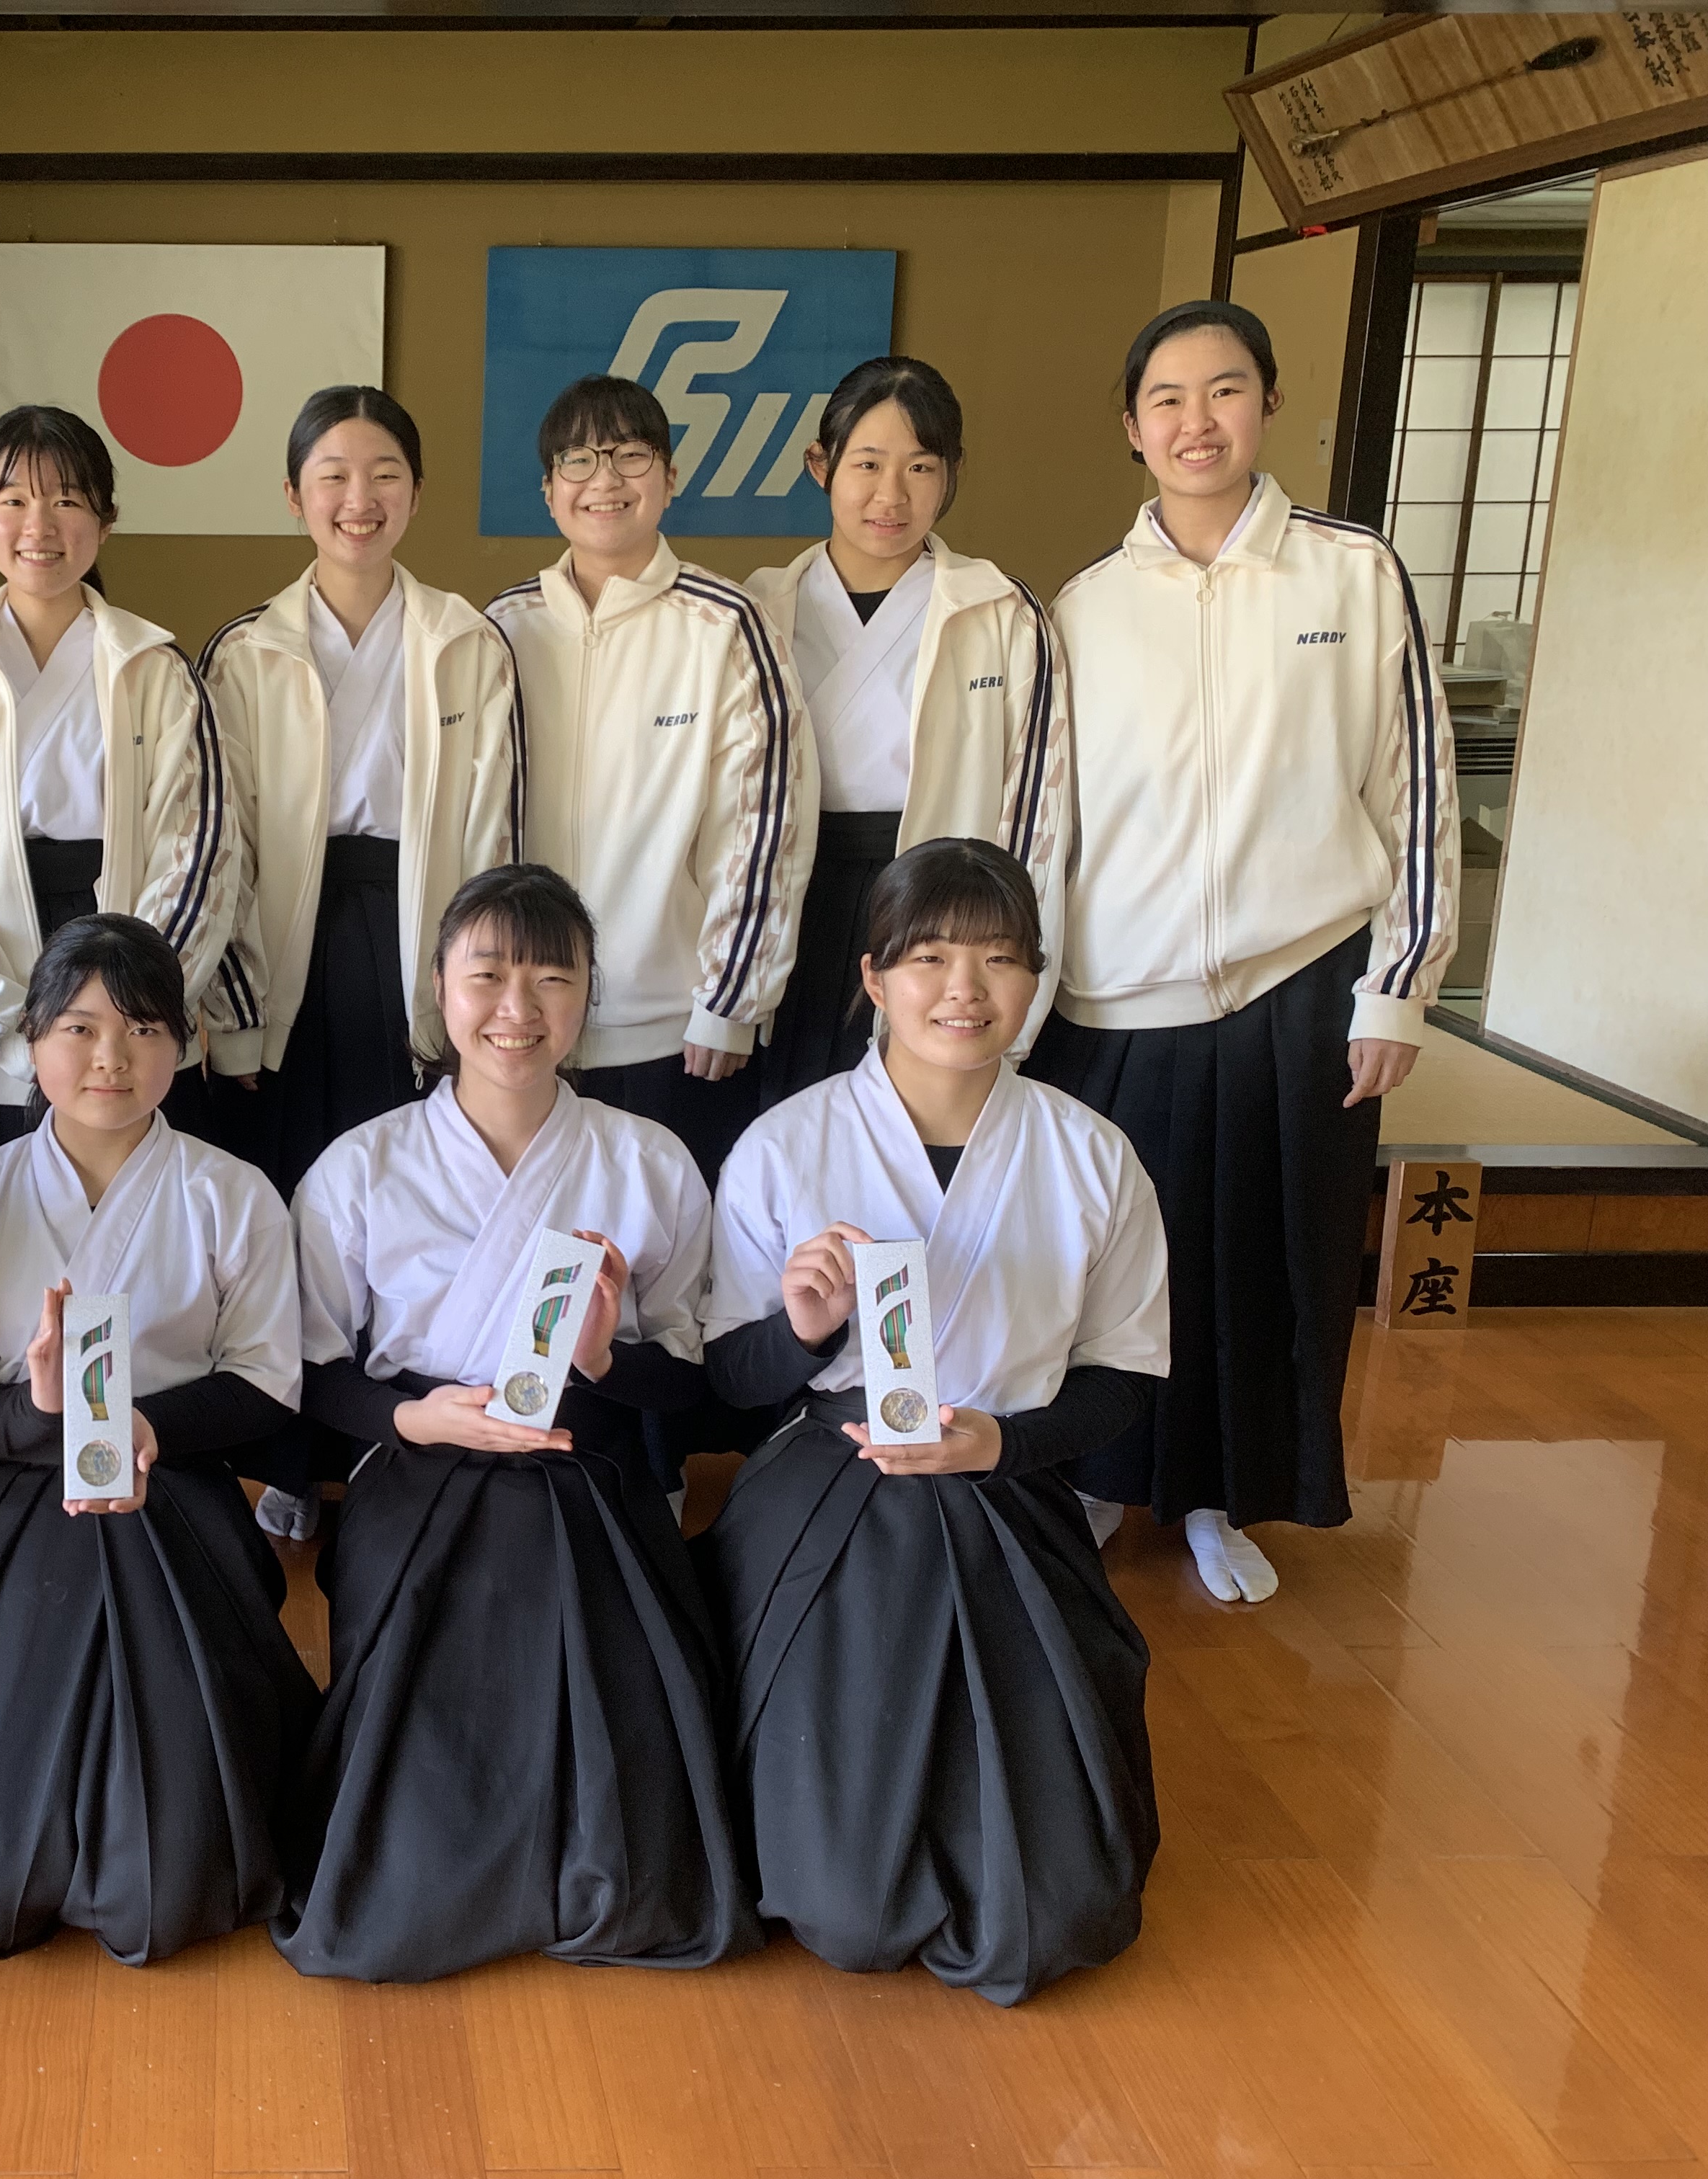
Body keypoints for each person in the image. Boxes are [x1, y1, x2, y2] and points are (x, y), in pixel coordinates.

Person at [1028, 300, 1457, 1604]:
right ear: (1131, 427)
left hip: (1301, 977)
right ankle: (1099, 1476)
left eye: (1223, 390)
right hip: (1121, 990)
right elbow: (1047, 821)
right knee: (1113, 1259)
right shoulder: (1083, 605)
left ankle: (1222, 1497)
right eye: (1166, 398)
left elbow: (1416, 792)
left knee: (1267, 1263)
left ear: (1266, 402)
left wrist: (1397, 989)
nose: (1196, 421)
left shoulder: (1351, 572)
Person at [696, 837, 1167, 2004]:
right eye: (930, 957)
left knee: (1056, 1907)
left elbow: (1124, 1376)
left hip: (1007, 1481)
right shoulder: (789, 1142)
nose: (965, 988)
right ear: (872, 976)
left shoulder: (1091, 1154)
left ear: (1036, 980)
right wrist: (804, 1329)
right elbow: (730, 1375)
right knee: (844, 1905)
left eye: (1000, 959)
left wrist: (1003, 1444)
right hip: (830, 1485)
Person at [272, 864, 755, 1984]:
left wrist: (605, 1361)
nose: (517, 1010)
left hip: (587, 1460)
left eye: (552, 979)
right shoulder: (361, 1168)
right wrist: (414, 1418)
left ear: (589, 995)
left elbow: (691, 1380)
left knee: (614, 1652)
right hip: (419, 1460)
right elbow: (312, 1370)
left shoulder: (648, 1161)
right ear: (439, 989)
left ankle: (599, 1868)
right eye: (487, 975)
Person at [0, 914, 320, 1964]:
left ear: (188, 1043)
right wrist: (40, 1416)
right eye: (78, 1028)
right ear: (32, 1040)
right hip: (12, 1500)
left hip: (172, 1492)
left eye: (143, 1028)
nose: (110, 1058)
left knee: (177, 1878)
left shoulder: (232, 1195)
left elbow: (265, 1383)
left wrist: (145, 1426)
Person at [196, 385, 519, 1539]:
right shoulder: (244, 648)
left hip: (419, 935)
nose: (359, 499)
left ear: (416, 494)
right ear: (294, 497)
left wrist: (472, 989)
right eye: (332, 476)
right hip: (285, 942)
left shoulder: (468, 641)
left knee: (407, 1202)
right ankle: (294, 1454)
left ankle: (400, 1438)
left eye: (384, 475)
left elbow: (494, 829)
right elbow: (220, 845)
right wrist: (236, 1011)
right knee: (293, 1200)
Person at [0, 406, 249, 1213]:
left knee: (148, 1247)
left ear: (105, 523)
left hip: (125, 951)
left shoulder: (157, 672)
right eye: (13, 500)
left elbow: (199, 855)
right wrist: (10, 1022)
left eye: (68, 500)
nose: (39, 525)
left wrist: (124, 1014)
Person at [483, 373, 811, 1190]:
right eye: (579, 461)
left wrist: (730, 1001)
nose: (605, 480)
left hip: (678, 1032)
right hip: (521, 1026)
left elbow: (765, 825)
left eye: (630, 456)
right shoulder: (499, 630)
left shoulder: (726, 625)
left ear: (670, 476)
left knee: (668, 1248)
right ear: (548, 490)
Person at [737, 357, 1071, 1108]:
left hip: (936, 908)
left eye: (920, 467)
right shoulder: (757, 609)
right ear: (819, 465)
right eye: (867, 464)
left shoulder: (1002, 613)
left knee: (922, 1115)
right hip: (793, 899)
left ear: (952, 474)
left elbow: (1037, 818)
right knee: (792, 1117)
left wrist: (1018, 989)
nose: (891, 495)